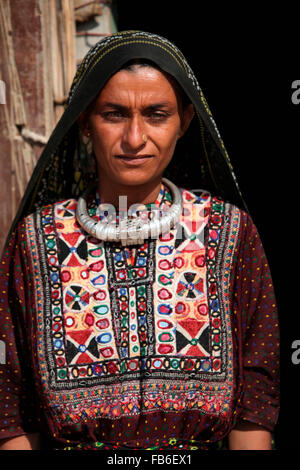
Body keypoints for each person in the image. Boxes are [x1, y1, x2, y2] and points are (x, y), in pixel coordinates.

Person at [0, 30, 279, 451]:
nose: (134, 138)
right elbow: (11, 407)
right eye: (114, 114)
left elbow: (255, 400)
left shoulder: (228, 233)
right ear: (85, 121)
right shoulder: (36, 242)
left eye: (156, 114)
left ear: (184, 121)